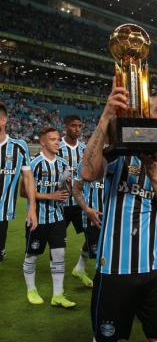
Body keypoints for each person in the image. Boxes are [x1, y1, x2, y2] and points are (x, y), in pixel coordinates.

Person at [81, 85, 157, 342]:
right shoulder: (119, 150)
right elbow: (87, 172)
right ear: (142, 112)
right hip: (115, 268)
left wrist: (153, 175)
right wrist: (107, 115)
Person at [23, 126, 76, 308]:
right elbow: (24, 193)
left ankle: (58, 295)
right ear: (43, 142)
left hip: (57, 217)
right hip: (37, 218)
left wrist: (67, 188)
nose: (58, 142)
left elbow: (64, 188)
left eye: (59, 139)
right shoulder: (33, 163)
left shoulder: (63, 164)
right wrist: (49, 196)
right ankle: (31, 289)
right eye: (53, 139)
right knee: (32, 255)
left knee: (59, 254)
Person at [0, 102, 36, 263]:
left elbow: (28, 178)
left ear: (3, 121)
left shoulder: (19, 147)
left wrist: (32, 207)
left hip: (2, 212)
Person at [57, 115, 91, 287]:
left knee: (91, 235)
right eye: (73, 126)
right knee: (58, 240)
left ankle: (80, 266)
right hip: (61, 203)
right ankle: (57, 275)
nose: (77, 129)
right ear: (66, 127)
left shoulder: (85, 148)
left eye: (79, 126)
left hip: (80, 202)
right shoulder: (58, 147)